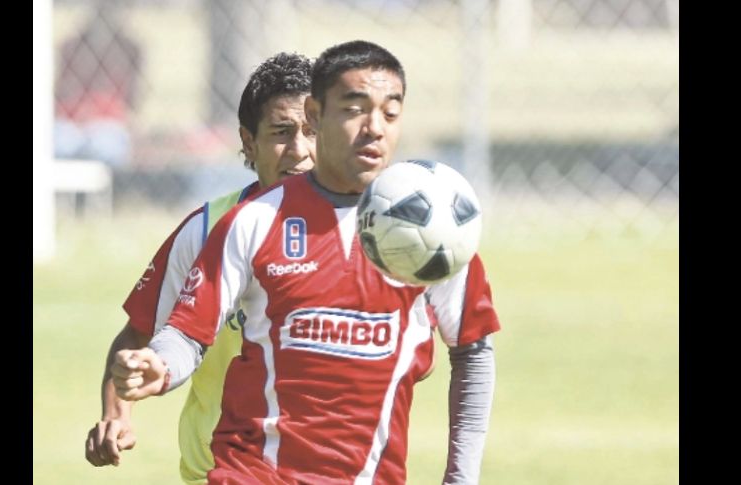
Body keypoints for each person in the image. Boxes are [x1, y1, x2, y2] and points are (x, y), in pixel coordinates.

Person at [112, 40, 499, 484]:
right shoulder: (254, 221)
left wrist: (461, 477)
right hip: (252, 474)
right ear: (315, 114)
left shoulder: (439, 227)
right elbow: (186, 334)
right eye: (354, 110)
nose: (374, 128)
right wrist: (160, 367)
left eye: (389, 113)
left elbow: (472, 352)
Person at [85, 52, 316, 485]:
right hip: (223, 469)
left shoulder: (367, 230)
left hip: (330, 469)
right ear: (249, 142)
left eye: (312, 131)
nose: (300, 150)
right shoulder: (208, 229)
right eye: (281, 133)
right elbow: (140, 333)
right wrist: (117, 416)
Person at [54, 4, 142, 168]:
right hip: (71, 122)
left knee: (105, 145)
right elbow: (62, 94)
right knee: (60, 141)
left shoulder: (129, 49)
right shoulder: (71, 47)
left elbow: (130, 103)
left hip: (107, 123)